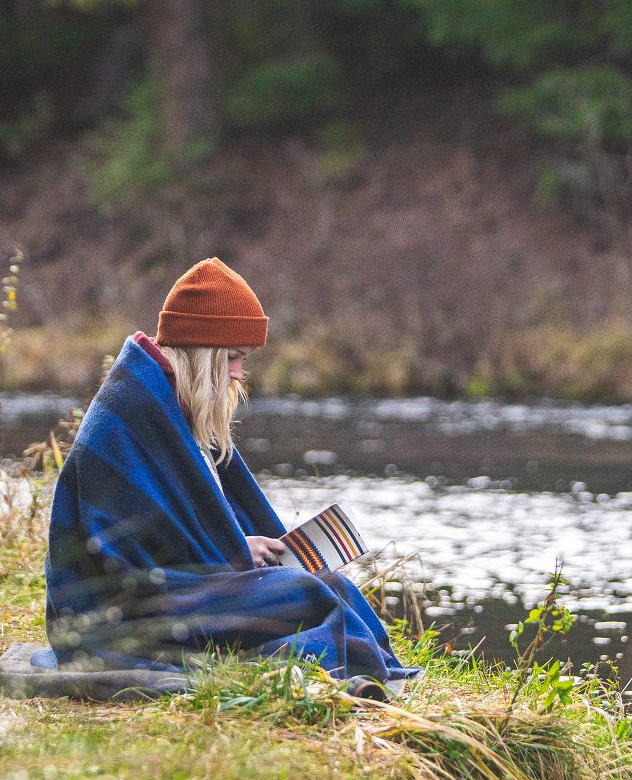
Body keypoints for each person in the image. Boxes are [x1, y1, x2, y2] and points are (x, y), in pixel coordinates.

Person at [43, 257, 417, 686]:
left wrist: (239, 547)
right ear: (203, 354)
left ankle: (379, 671)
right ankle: (349, 671)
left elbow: (177, 533)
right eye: (233, 358)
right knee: (305, 593)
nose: (240, 372)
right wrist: (235, 556)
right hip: (120, 619)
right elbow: (126, 562)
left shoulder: (168, 403)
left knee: (330, 585)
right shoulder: (134, 412)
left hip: (173, 595)